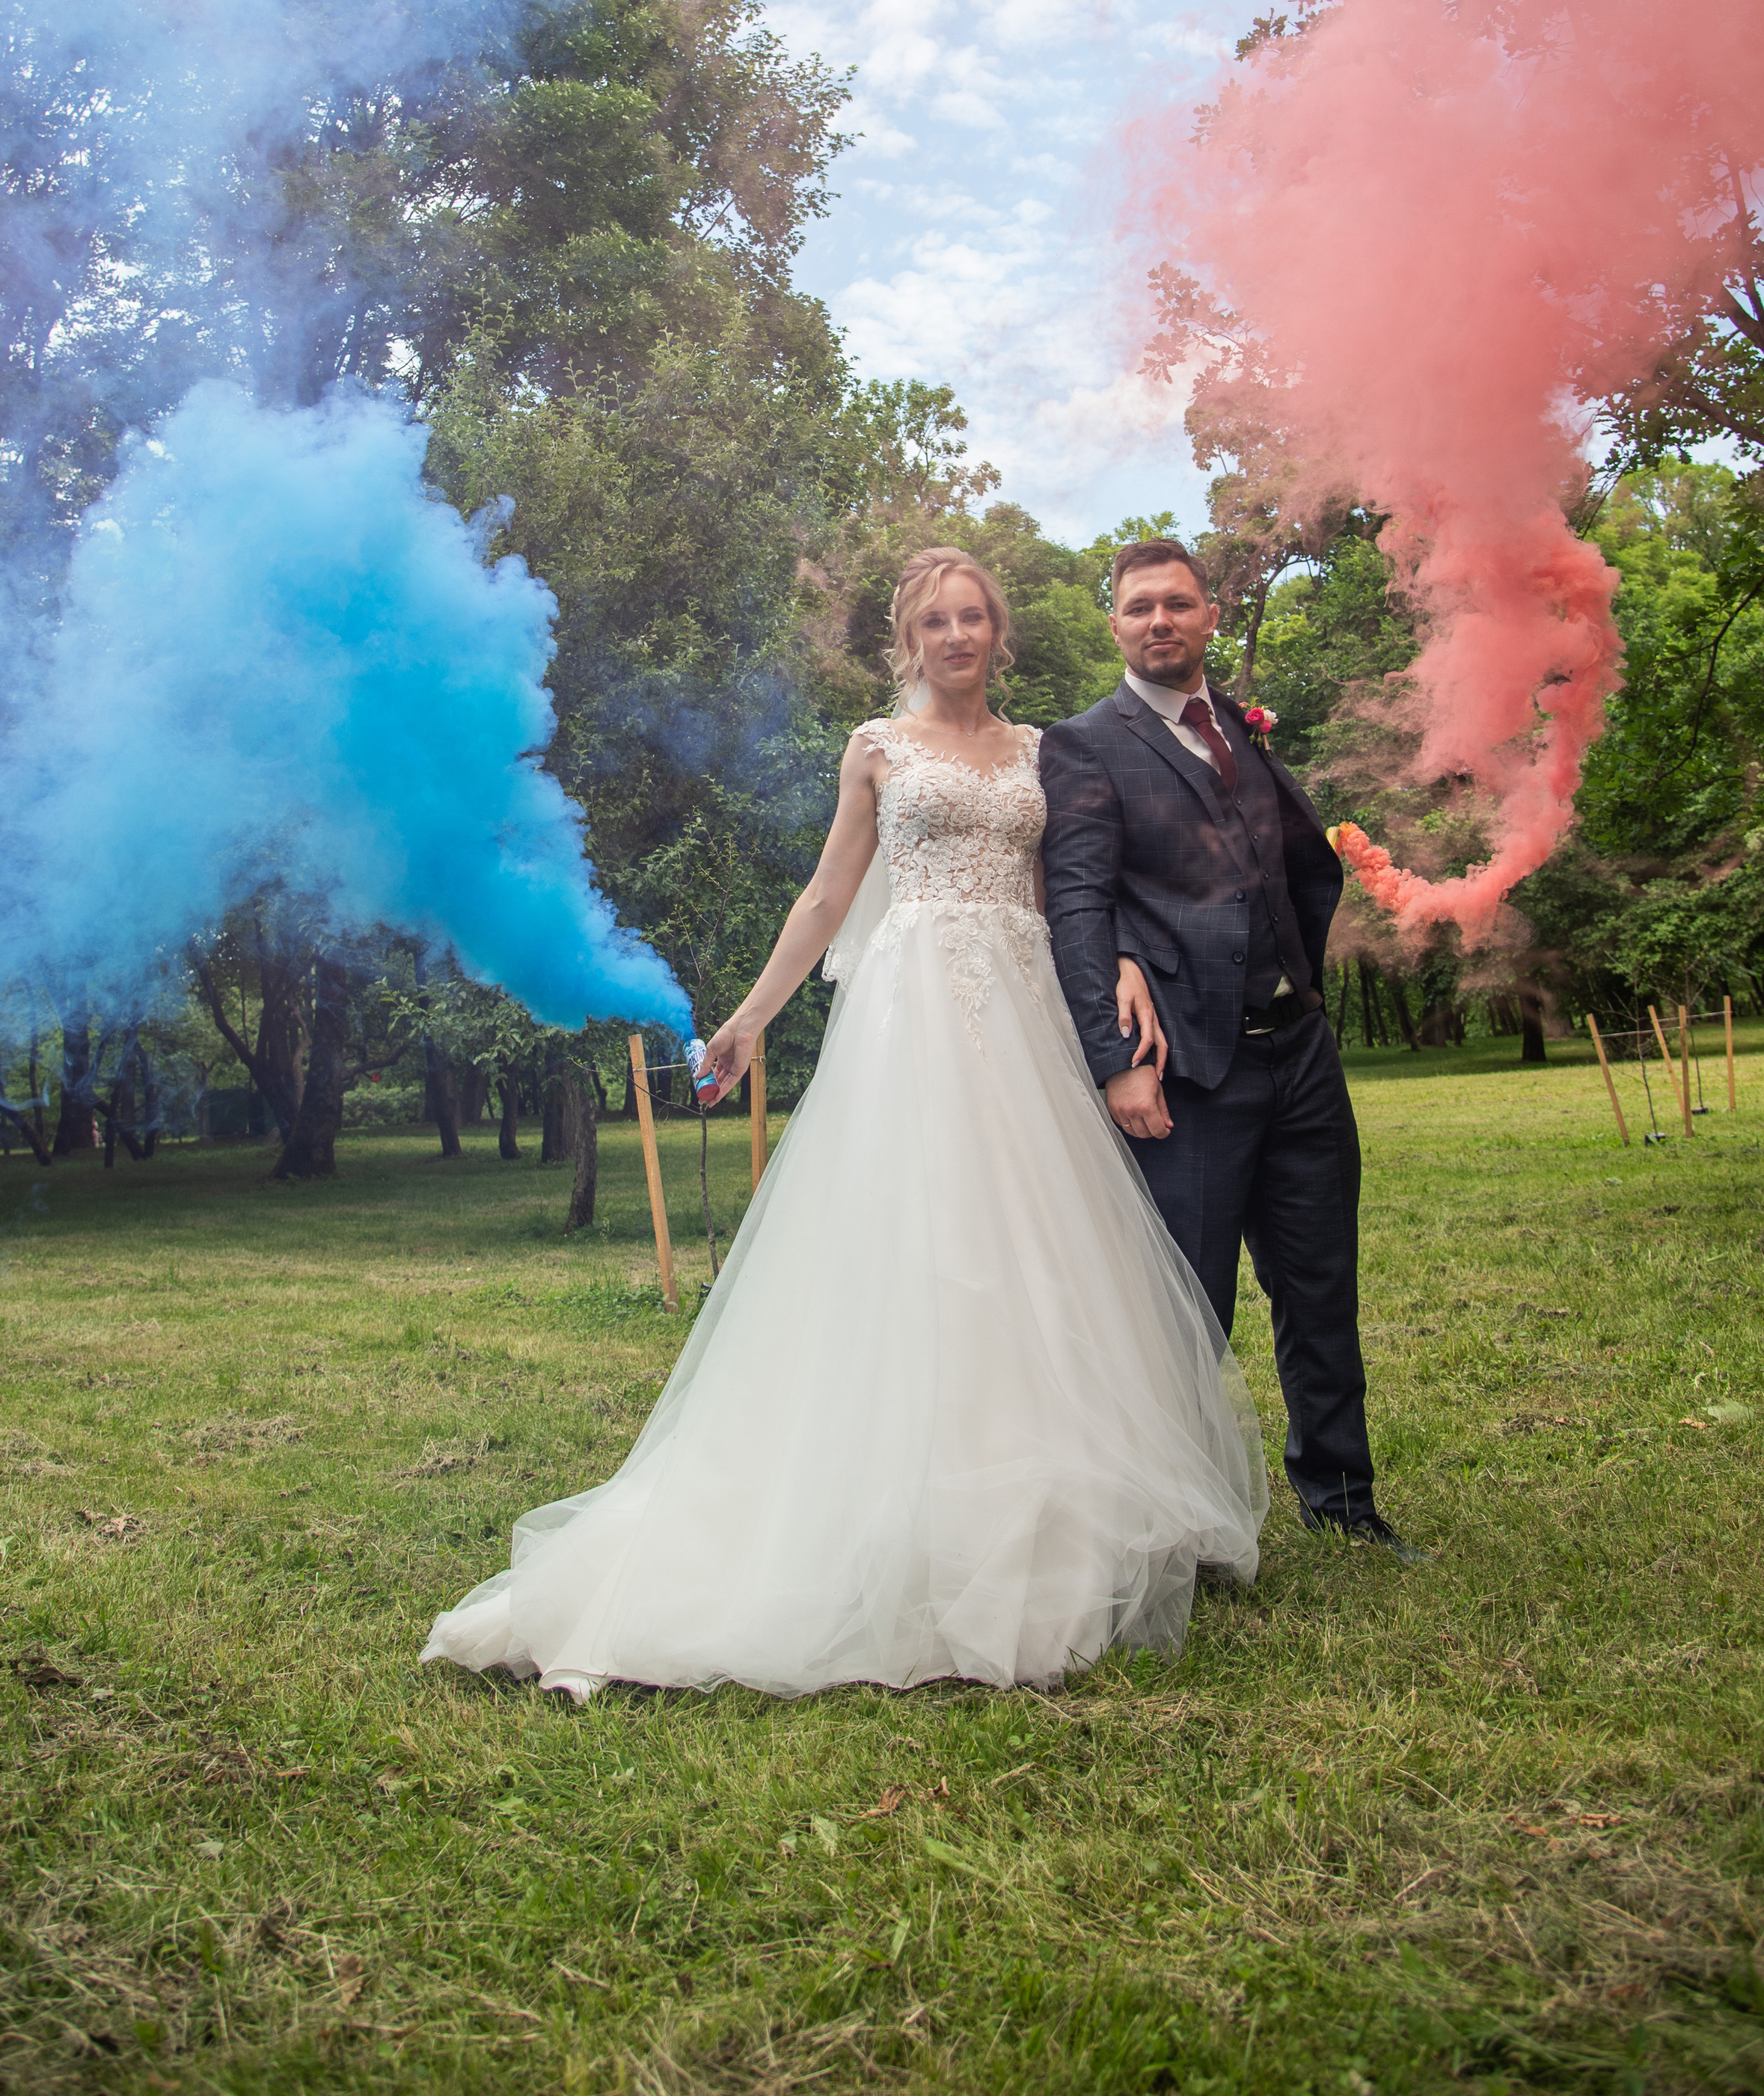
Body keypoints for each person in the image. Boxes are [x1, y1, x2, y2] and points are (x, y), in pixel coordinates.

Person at [421, 547, 1267, 1699]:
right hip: (915, 1012)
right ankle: (894, 1512)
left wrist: (1117, 958)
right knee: (921, 1245)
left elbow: (1079, 886)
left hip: (1027, 1010)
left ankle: (1050, 1504)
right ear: (908, 639)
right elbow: (827, 894)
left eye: (974, 617)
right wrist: (753, 1018)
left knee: (1038, 1250)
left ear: (999, 633)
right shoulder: (876, 749)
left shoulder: (1043, 753)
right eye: (936, 620)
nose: (958, 635)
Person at [1038, 536, 1421, 1557]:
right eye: (1138, 608)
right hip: (1187, 1071)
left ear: (1211, 615)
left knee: (1319, 1288)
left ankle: (1343, 1504)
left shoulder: (1243, 731)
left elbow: (1290, 869)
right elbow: (1078, 900)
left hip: (1299, 1053)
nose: (1159, 621)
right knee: (1184, 1312)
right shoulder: (1085, 743)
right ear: (1113, 625)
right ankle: (1171, 1528)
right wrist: (1114, 1060)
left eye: (1177, 603)